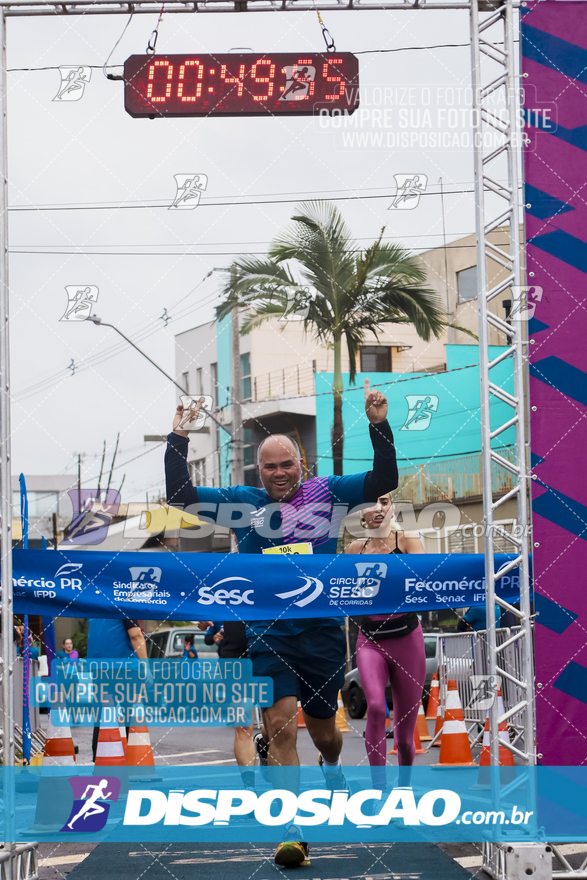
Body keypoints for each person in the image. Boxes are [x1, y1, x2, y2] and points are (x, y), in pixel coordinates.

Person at [165, 379, 397, 868]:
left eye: (286, 463)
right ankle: (292, 828)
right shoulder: (242, 503)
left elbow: (382, 480)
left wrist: (379, 426)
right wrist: (179, 438)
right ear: (258, 469)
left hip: (320, 633)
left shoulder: (327, 493)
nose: (278, 473)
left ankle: (331, 764)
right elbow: (181, 496)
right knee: (279, 727)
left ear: (301, 464)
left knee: (324, 733)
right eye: (269, 466)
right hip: (267, 634)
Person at [346, 493, 426, 802]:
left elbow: (425, 575)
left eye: (384, 501)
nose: (378, 508)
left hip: (407, 639)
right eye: (371, 503)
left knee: (405, 738)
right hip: (370, 641)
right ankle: (379, 793)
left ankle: (404, 791)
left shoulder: (406, 539)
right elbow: (335, 587)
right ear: (359, 513)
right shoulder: (355, 549)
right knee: (376, 708)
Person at [201, 620, 260, 790]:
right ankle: (250, 789)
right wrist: (201, 616)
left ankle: (264, 743)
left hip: (268, 652)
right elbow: (208, 637)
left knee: (276, 725)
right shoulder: (221, 601)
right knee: (243, 726)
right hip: (233, 660)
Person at [86, 618, 148, 762]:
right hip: (124, 666)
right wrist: (146, 666)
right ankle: (134, 759)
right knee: (130, 714)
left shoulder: (93, 608)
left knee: (102, 715)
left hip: (99, 667)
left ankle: (101, 759)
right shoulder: (123, 602)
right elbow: (136, 636)